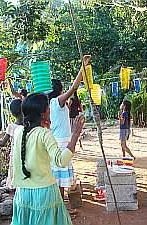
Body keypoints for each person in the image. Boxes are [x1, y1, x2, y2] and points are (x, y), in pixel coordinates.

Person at [11, 93, 84, 225]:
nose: (50, 110)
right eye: (48, 108)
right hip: (44, 193)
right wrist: (75, 134)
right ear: (43, 113)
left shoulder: (18, 132)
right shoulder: (44, 134)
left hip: (23, 194)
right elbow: (61, 161)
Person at [48, 55, 91, 200]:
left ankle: (60, 206)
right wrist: (83, 67)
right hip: (61, 143)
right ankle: (60, 207)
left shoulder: (49, 103)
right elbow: (74, 88)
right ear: (59, 90)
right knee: (59, 178)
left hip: (57, 141)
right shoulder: (57, 101)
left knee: (58, 178)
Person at [0, 99, 23, 188]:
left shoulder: (11, 127)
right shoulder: (28, 125)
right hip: (27, 155)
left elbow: (2, 143)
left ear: (12, 113)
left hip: (15, 156)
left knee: (15, 175)